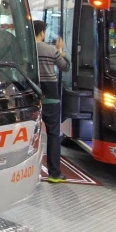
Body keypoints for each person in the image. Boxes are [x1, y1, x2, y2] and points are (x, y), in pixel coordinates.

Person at [34, 20, 70, 183]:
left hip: (32, 97)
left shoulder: (26, 50)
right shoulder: (51, 50)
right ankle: (55, 173)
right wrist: (60, 51)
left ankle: (29, 172)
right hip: (51, 97)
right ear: (42, 33)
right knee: (53, 135)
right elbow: (65, 67)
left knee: (31, 135)